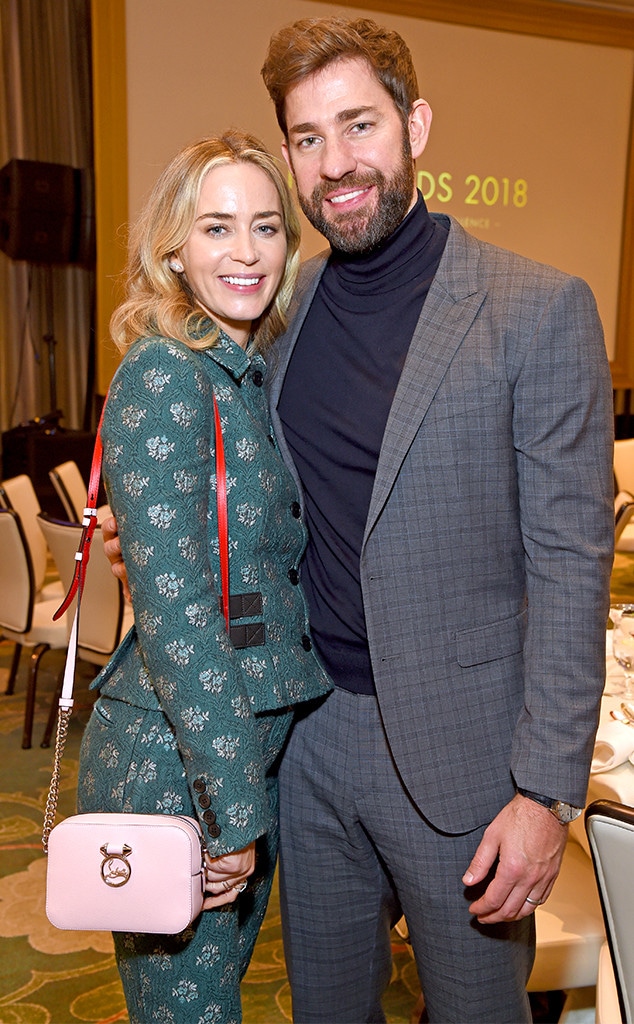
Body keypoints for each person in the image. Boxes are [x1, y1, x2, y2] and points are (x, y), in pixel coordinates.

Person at [105, 16, 614, 1023]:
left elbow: (571, 568)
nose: (335, 163)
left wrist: (547, 793)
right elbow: (235, 484)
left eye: (359, 125)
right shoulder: (279, 307)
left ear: (413, 124)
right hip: (305, 740)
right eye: (306, 137)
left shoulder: (536, 307)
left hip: (468, 762)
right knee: (325, 1006)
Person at [77, 129, 331, 1024]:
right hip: (179, 767)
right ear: (173, 249)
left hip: (229, 756)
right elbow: (180, 613)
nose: (247, 252)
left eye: (266, 227)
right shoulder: (163, 373)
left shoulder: (237, 372)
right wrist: (231, 807)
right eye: (218, 228)